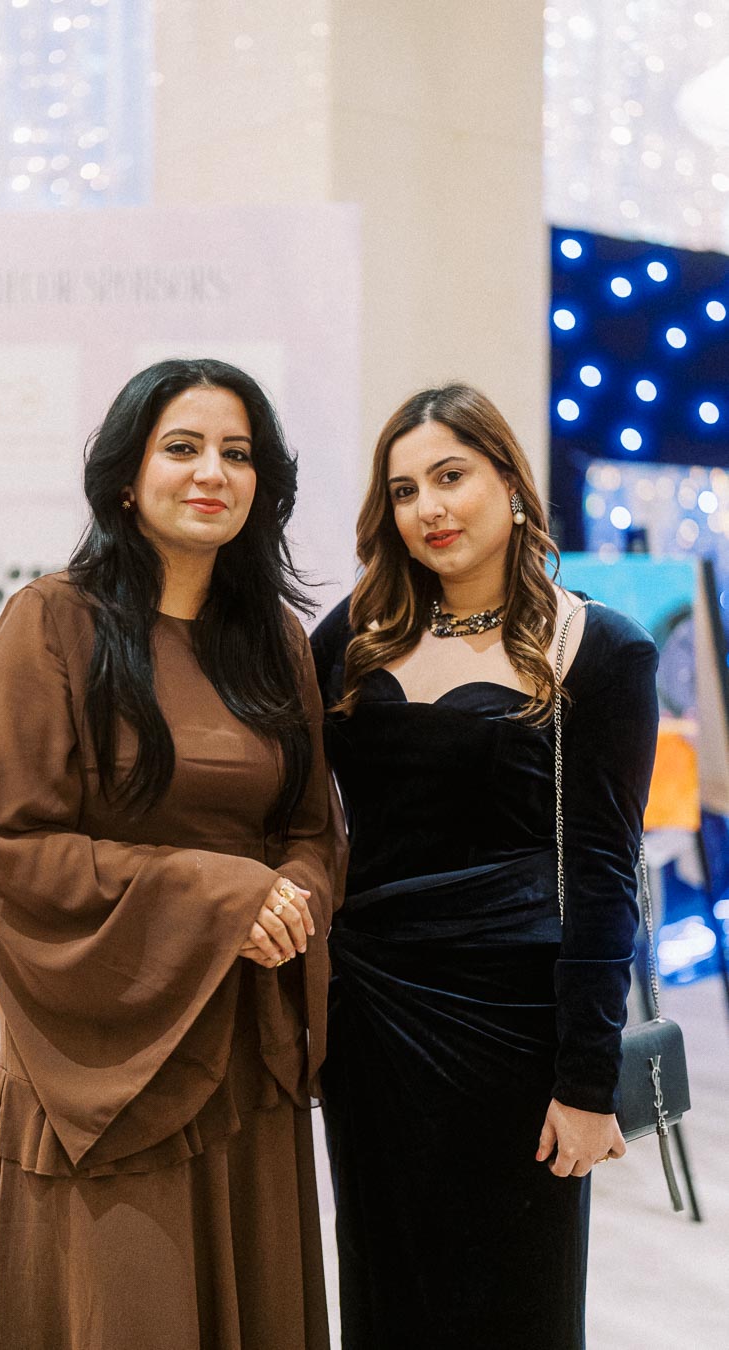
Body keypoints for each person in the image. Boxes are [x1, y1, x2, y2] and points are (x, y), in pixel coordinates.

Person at [0, 358, 347, 1350]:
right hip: (106, 1065)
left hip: (245, 1058)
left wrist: (290, 899)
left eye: (237, 453)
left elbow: (308, 829)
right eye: (183, 447)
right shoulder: (52, 621)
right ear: (128, 476)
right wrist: (221, 897)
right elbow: (7, 844)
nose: (212, 470)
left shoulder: (277, 640)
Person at [310, 383, 659, 1350]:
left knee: (519, 1305)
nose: (429, 507)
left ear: (510, 483)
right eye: (405, 488)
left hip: (517, 1034)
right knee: (385, 1284)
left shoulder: (599, 650)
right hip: (374, 1026)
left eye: (452, 475)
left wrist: (588, 1084)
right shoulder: (351, 638)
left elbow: (601, 877)